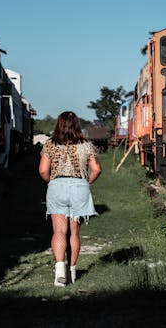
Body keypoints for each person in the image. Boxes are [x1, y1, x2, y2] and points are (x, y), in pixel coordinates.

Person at [39, 111, 102, 287]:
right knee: (74, 232)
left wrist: (51, 182)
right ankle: (72, 271)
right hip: (79, 187)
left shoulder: (50, 144)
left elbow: (43, 170)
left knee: (59, 231)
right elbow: (96, 169)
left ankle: (60, 271)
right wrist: (86, 182)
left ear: (58, 124)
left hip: (57, 186)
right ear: (77, 125)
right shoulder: (86, 145)